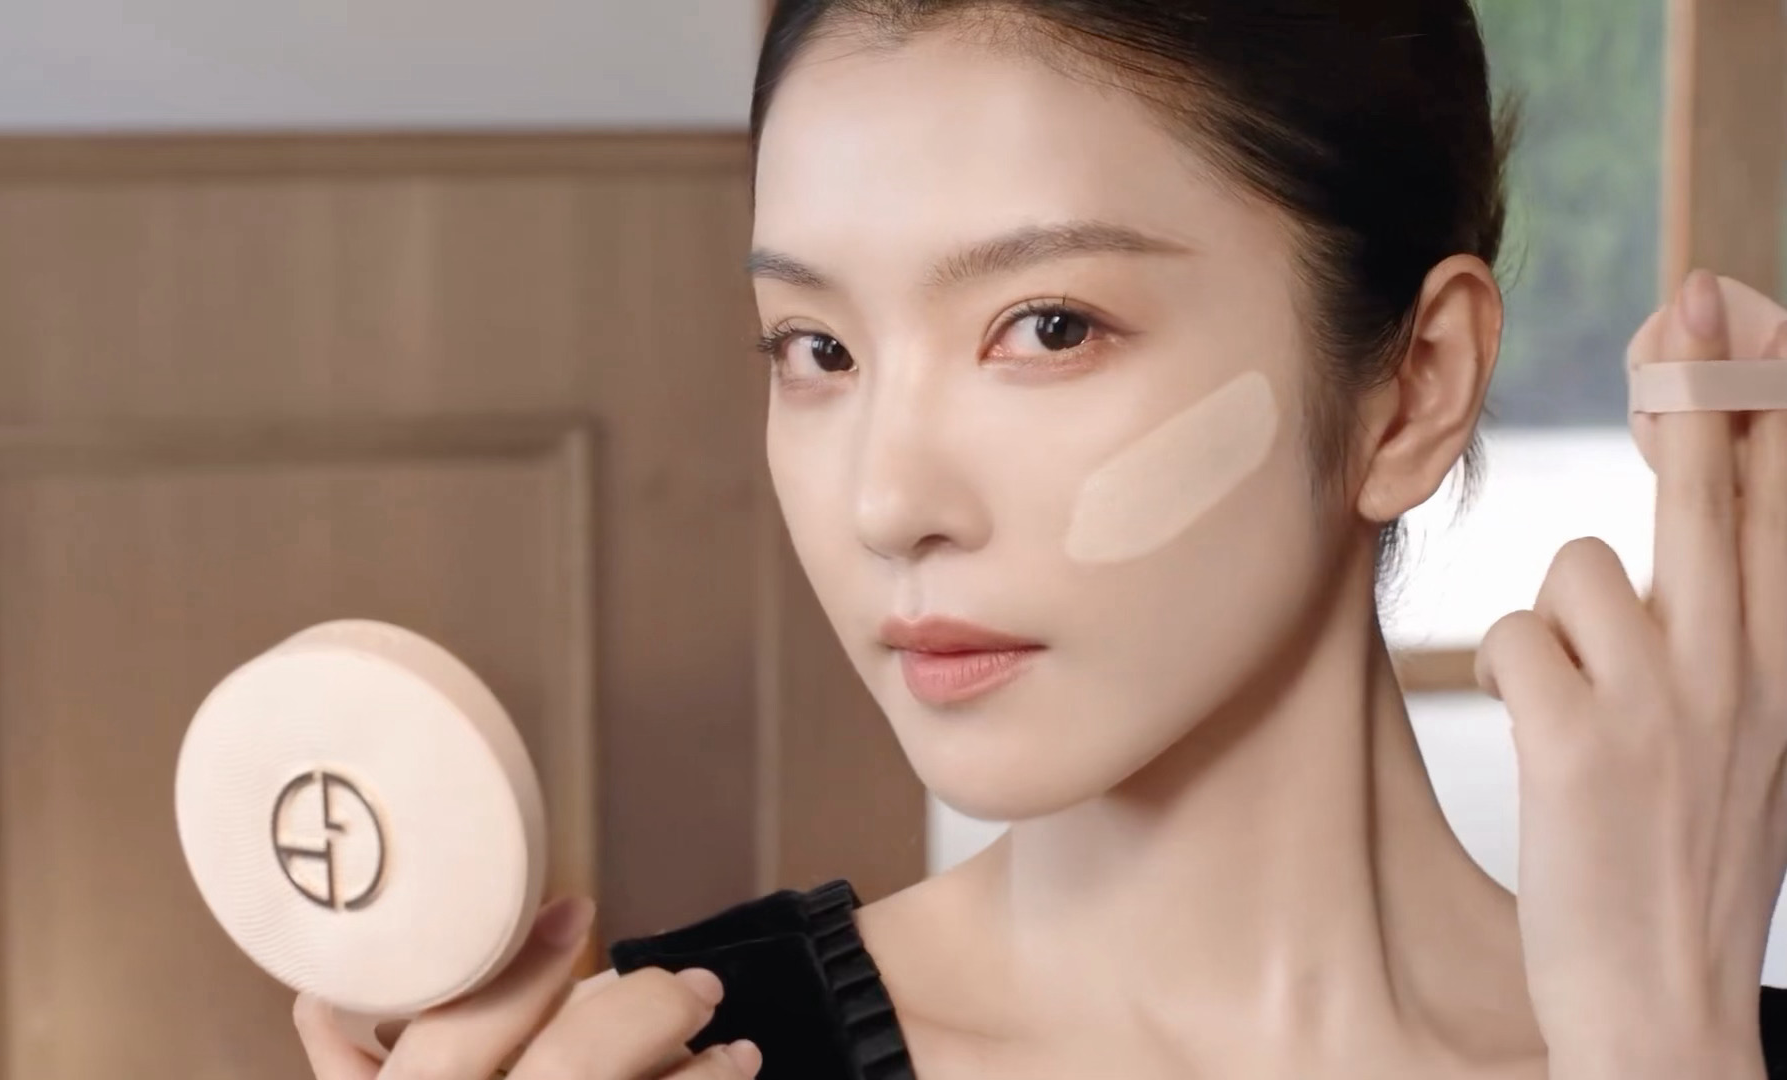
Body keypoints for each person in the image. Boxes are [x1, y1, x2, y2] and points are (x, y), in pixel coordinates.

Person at [295, 2, 1787, 1077]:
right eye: (816, 349)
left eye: (1049, 327)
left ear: (1415, 385)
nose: (887, 503)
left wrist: (1665, 1050)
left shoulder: (1696, 1037)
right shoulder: (677, 1055)